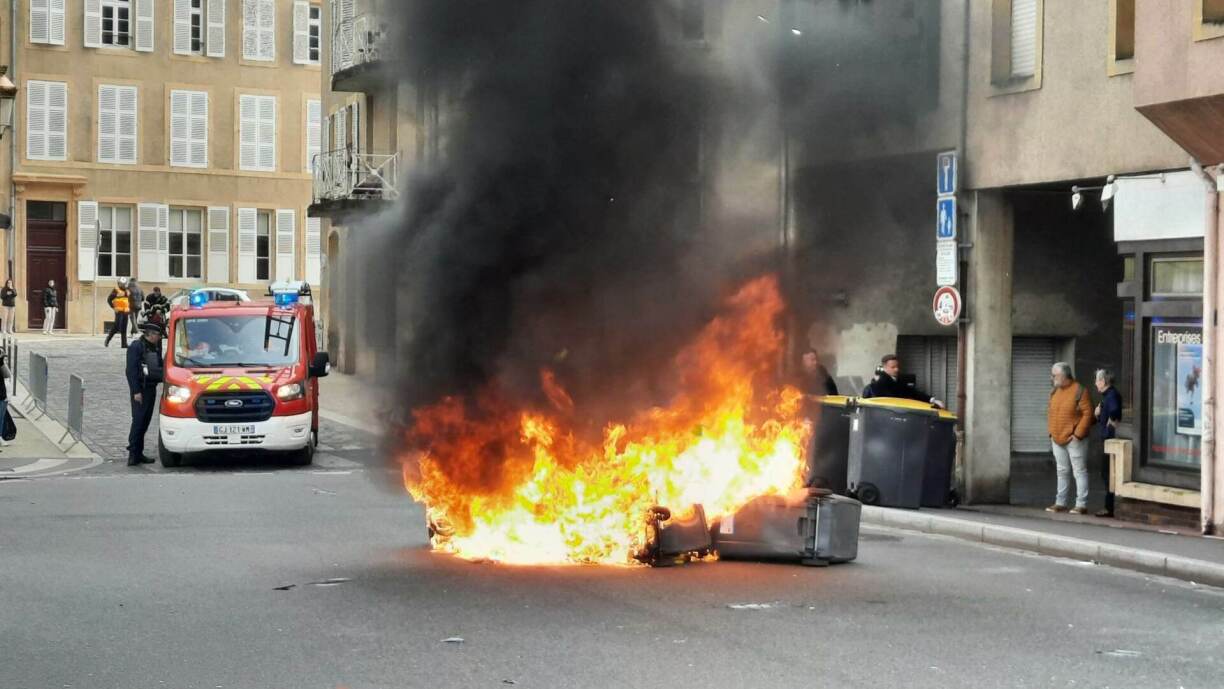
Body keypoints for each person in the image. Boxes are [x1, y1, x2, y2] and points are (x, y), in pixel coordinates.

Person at [1046, 362, 1094, 515]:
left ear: (1064, 375)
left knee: (1079, 471)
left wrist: (1078, 434)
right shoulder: (1055, 391)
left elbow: (1088, 413)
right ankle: (1060, 502)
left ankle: (1081, 504)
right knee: (1062, 471)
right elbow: (1051, 413)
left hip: (1074, 439)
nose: (1052, 378)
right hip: (1057, 437)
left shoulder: (1080, 390)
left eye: (1055, 375)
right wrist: (1051, 433)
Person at [126, 321, 164, 466]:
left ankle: (138, 452)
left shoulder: (154, 347)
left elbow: (158, 366)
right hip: (140, 390)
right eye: (158, 335)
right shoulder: (137, 347)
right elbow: (131, 371)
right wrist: (136, 391)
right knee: (138, 420)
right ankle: (133, 453)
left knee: (145, 421)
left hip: (150, 388)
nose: (159, 338)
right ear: (151, 334)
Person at [861, 354, 944, 407]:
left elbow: (912, 392)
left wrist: (932, 399)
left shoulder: (898, 380)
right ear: (885, 367)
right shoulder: (879, 384)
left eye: (897, 366)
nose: (897, 369)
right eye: (893, 367)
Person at [1094, 369, 1123, 518]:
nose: (1095, 384)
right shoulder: (1108, 395)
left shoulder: (1110, 395)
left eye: (1097, 380)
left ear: (1103, 382)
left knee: (1107, 473)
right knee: (1107, 473)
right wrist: (1099, 415)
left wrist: (1110, 423)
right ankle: (1109, 506)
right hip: (1107, 437)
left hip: (1109, 439)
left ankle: (1109, 507)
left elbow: (1115, 411)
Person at [105, 278, 132, 348]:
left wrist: (130, 309)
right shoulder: (116, 290)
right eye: (121, 284)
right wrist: (113, 307)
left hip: (126, 311)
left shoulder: (127, 290)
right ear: (119, 283)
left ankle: (124, 344)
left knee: (124, 328)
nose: (123, 285)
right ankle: (108, 338)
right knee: (117, 327)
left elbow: (128, 301)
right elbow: (109, 299)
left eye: (124, 284)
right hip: (119, 311)